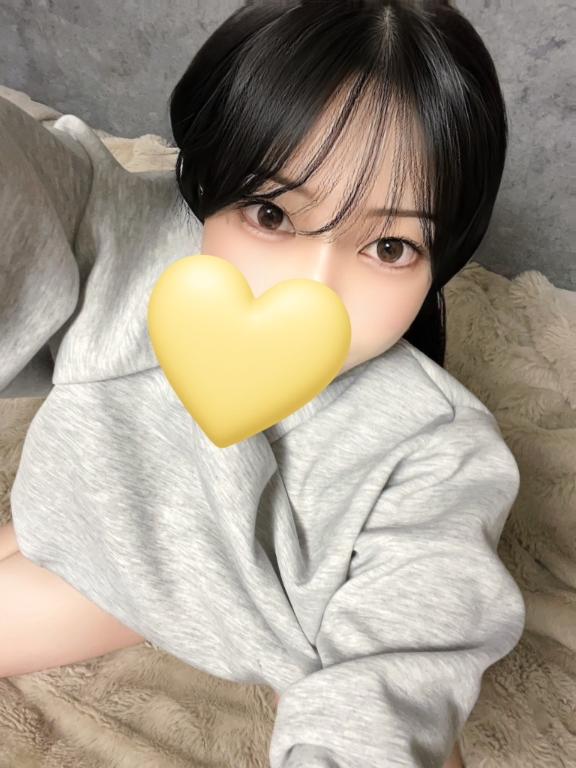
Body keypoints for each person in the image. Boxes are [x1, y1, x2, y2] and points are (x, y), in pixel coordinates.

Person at [0, 1, 524, 766]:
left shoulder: (435, 451)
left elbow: (403, 662)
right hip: (71, 516)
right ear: (211, 174)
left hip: (178, 594)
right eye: (273, 214)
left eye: (389, 246)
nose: (313, 289)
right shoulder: (115, 228)